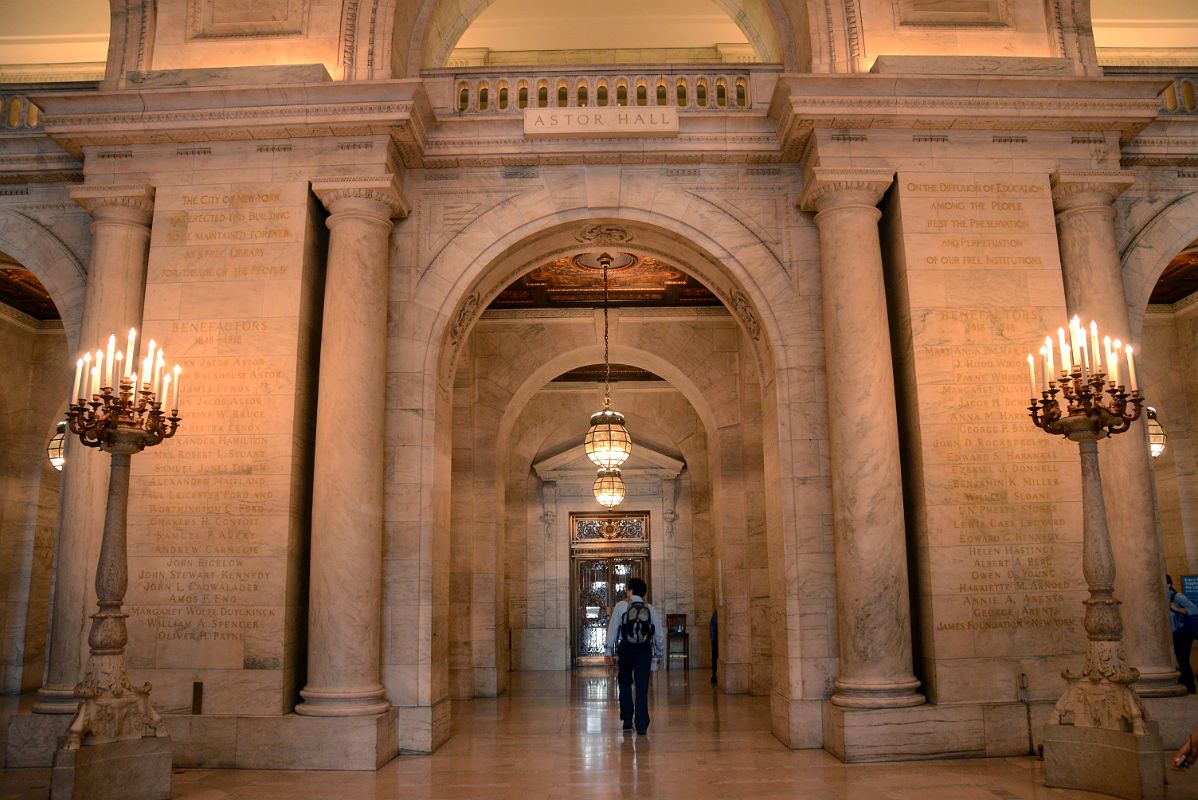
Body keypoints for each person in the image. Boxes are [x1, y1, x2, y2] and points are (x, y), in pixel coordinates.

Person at [605, 577, 664, 735]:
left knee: (624, 683)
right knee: (642, 687)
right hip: (644, 650)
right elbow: (658, 632)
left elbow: (613, 630)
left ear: (630, 591)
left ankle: (627, 719)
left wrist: (608, 650)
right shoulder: (649, 608)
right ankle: (642, 724)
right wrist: (660, 652)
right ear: (643, 593)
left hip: (626, 649)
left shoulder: (621, 606)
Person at [1168, 574, 1198, 694]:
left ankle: (1190, 688)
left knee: (1183, 660)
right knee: (1178, 661)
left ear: (1168, 584)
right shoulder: (1163, 598)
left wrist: (1176, 609)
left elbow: (1194, 610)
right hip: (1173, 634)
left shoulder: (1177, 596)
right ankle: (1183, 685)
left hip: (1182, 633)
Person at [709, 609, 718, 685]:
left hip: (716, 638)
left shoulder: (716, 613)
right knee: (714, 657)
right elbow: (712, 625)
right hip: (716, 639)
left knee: (714, 657)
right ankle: (714, 675)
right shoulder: (716, 613)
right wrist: (712, 639)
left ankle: (715, 675)